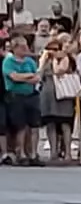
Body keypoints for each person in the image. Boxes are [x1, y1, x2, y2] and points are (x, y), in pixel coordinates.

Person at [3, 33, 41, 164]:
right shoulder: (8, 61)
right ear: (16, 48)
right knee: (21, 126)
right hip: (15, 96)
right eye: (23, 47)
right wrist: (28, 76)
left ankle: (34, 154)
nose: (26, 49)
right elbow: (13, 77)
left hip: (31, 95)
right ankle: (22, 153)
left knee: (34, 125)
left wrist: (24, 77)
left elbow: (37, 78)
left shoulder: (30, 62)